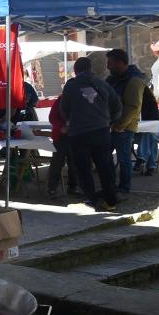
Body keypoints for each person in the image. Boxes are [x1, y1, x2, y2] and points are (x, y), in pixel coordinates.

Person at [61, 57, 121, 212]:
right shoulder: (103, 84)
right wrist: (109, 121)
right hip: (101, 131)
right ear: (90, 68)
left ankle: (91, 199)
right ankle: (111, 201)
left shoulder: (71, 86)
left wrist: (70, 120)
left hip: (79, 133)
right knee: (105, 167)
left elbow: (64, 108)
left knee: (83, 168)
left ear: (75, 71)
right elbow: (117, 106)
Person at [105, 49, 144, 195]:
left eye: (110, 63)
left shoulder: (134, 80)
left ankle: (123, 188)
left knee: (123, 159)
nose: (108, 66)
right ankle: (110, 185)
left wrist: (119, 126)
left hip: (124, 127)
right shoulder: (112, 79)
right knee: (105, 157)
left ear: (120, 63)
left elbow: (133, 107)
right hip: (111, 125)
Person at [47, 95, 79, 199]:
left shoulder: (81, 98)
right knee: (57, 162)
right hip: (61, 136)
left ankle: (73, 187)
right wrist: (61, 127)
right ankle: (52, 188)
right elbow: (52, 117)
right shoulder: (62, 99)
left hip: (75, 135)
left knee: (74, 163)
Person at [135, 84, 159, 176]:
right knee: (150, 138)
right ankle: (151, 166)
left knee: (149, 135)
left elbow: (154, 120)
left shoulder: (150, 103)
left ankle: (141, 158)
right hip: (135, 132)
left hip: (152, 129)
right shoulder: (131, 104)